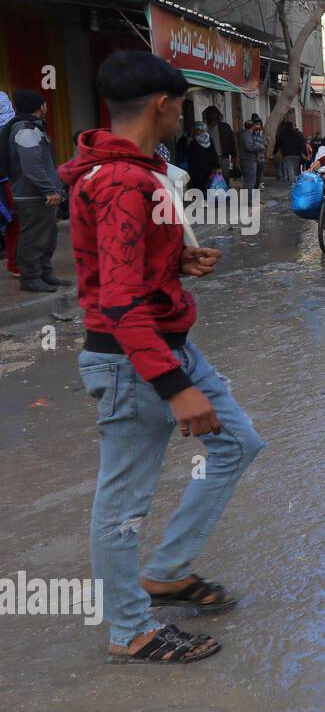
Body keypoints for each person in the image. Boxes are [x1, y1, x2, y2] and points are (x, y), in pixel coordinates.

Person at [61, 49, 267, 663]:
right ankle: (131, 630)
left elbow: (118, 265)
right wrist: (175, 386)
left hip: (166, 342)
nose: (185, 117)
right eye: (181, 105)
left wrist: (175, 261)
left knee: (238, 442)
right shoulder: (123, 180)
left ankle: (168, 570)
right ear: (163, 105)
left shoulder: (124, 170)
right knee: (124, 500)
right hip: (133, 358)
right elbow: (120, 299)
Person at [4, 89, 66, 292]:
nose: (46, 107)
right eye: (44, 103)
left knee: (47, 236)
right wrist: (49, 190)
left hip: (40, 194)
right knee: (33, 237)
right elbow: (32, 166)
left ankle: (45, 273)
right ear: (40, 107)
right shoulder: (26, 130)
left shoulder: (33, 128)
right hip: (33, 196)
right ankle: (30, 277)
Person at [0, 91, 19, 278]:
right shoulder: (11, 129)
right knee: (16, 222)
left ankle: (14, 263)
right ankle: (15, 264)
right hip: (9, 181)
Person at [185, 121, 222, 194]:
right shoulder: (191, 139)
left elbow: (213, 152)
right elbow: (186, 152)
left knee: (206, 183)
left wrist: (217, 165)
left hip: (207, 166)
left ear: (203, 130)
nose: (197, 131)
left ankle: (204, 199)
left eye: (199, 130)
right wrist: (187, 143)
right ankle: (199, 199)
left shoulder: (208, 139)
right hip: (195, 167)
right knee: (196, 184)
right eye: (196, 129)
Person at [200, 106, 236, 179]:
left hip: (223, 157)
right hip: (209, 158)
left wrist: (234, 155)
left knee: (224, 178)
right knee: (212, 179)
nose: (213, 116)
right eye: (210, 114)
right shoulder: (203, 128)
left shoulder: (225, 127)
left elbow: (231, 141)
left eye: (214, 114)